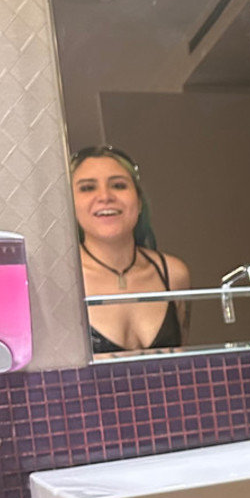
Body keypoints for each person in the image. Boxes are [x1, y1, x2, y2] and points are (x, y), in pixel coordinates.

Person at [70, 147, 190, 354]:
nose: (105, 196)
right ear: (69, 204)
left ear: (139, 201)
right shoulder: (62, 282)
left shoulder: (173, 274)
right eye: (88, 188)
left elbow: (184, 365)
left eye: (118, 185)